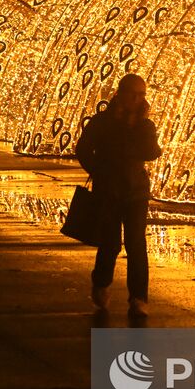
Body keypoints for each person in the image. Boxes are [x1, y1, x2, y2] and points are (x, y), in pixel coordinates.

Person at [74, 73, 162, 317]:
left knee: (136, 244)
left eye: (142, 94)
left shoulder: (146, 125)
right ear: (120, 94)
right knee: (110, 242)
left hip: (135, 192)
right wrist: (98, 171)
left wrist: (147, 142)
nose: (137, 98)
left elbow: (152, 152)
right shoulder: (103, 122)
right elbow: (82, 148)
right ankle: (101, 284)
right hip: (109, 191)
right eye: (133, 93)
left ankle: (138, 298)